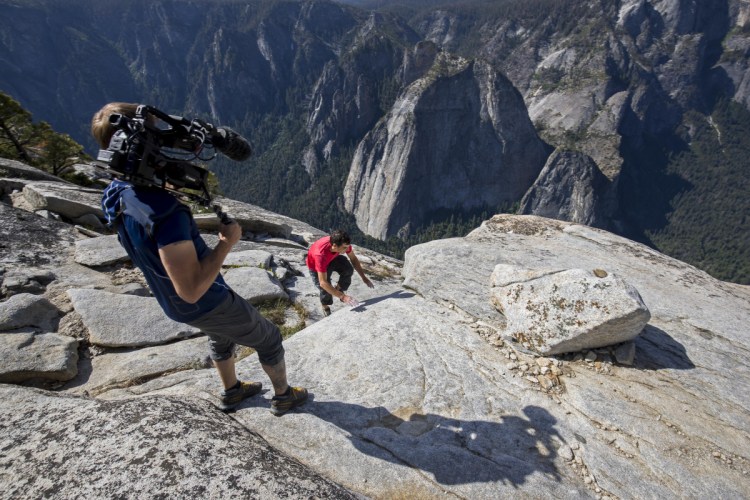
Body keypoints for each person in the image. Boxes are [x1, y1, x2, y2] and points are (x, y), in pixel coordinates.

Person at [92, 102, 307, 415]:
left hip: (171, 302)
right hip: (202, 300)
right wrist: (226, 243)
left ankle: (233, 391)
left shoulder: (116, 194)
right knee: (270, 338)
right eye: (157, 129)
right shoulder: (165, 213)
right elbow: (191, 288)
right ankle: (284, 395)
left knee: (220, 336)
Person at [306, 229, 373, 316]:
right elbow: (323, 283)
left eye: (347, 247)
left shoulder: (341, 243)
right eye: (344, 248)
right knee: (325, 289)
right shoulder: (320, 255)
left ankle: (338, 289)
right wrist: (343, 297)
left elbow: (353, 259)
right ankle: (325, 306)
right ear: (334, 245)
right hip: (316, 266)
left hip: (332, 259)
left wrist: (364, 277)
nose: (347, 249)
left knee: (348, 269)